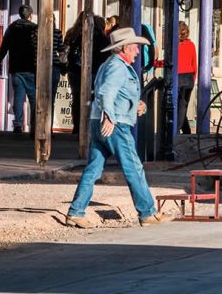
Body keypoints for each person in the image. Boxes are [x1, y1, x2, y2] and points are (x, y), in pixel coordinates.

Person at [66, 27, 173, 228]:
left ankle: (76, 211)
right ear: (124, 48)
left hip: (100, 122)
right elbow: (107, 93)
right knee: (134, 167)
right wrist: (110, 117)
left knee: (94, 169)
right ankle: (147, 212)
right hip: (115, 126)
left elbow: (114, 94)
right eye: (135, 48)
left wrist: (136, 106)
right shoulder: (118, 67)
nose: (138, 52)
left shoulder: (110, 64)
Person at [63, 12, 109, 134]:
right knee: (91, 99)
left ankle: (77, 126)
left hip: (74, 71)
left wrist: (64, 67)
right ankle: (88, 126)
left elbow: (65, 53)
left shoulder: (72, 34)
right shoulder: (99, 36)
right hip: (93, 71)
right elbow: (105, 55)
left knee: (77, 98)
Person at [0, 5, 38, 133]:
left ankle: (18, 124)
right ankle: (35, 123)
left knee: (18, 96)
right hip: (31, 68)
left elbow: (4, 47)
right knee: (34, 98)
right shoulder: (34, 28)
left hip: (16, 68)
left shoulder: (11, 28)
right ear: (30, 15)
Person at [177, 21, 197, 134]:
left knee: (179, 107)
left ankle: (175, 130)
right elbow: (194, 64)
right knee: (183, 106)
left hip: (178, 77)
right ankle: (186, 131)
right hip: (189, 77)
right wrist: (193, 79)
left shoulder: (175, 46)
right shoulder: (191, 45)